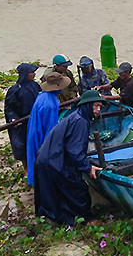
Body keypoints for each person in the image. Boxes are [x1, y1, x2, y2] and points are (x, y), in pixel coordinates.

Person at [34, 90, 105, 225]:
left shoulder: (76, 116)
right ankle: (84, 219)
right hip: (54, 160)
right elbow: (75, 151)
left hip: (47, 157)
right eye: (95, 105)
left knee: (55, 191)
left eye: (100, 107)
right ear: (87, 105)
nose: (98, 110)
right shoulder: (80, 122)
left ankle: (57, 218)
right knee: (78, 189)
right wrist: (88, 167)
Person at [26, 72, 70, 186]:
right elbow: (50, 129)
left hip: (34, 130)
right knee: (44, 159)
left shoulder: (43, 95)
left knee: (34, 158)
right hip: (41, 133)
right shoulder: (50, 104)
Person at [4, 63, 41, 176]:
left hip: (34, 119)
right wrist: (13, 119)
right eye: (31, 73)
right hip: (21, 123)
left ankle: (36, 164)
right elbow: (9, 107)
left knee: (36, 143)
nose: (34, 74)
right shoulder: (15, 90)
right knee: (22, 146)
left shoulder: (35, 86)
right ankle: (26, 169)